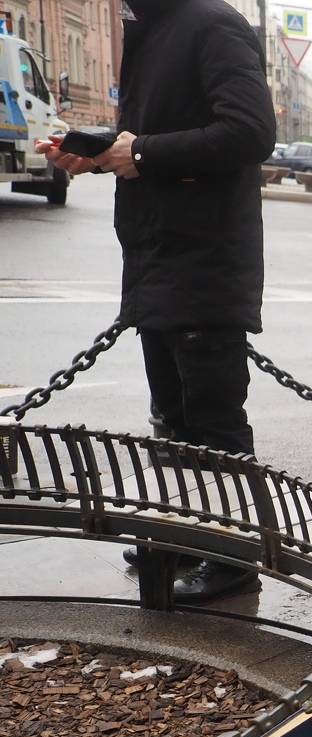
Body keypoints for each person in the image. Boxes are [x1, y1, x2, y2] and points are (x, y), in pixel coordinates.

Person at [38, 0, 275, 603]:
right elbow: (156, 136)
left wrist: (140, 153)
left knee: (213, 425)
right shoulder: (152, 28)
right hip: (159, 260)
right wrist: (100, 153)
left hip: (205, 264)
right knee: (173, 423)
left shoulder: (211, 23)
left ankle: (234, 558)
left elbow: (251, 131)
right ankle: (188, 537)